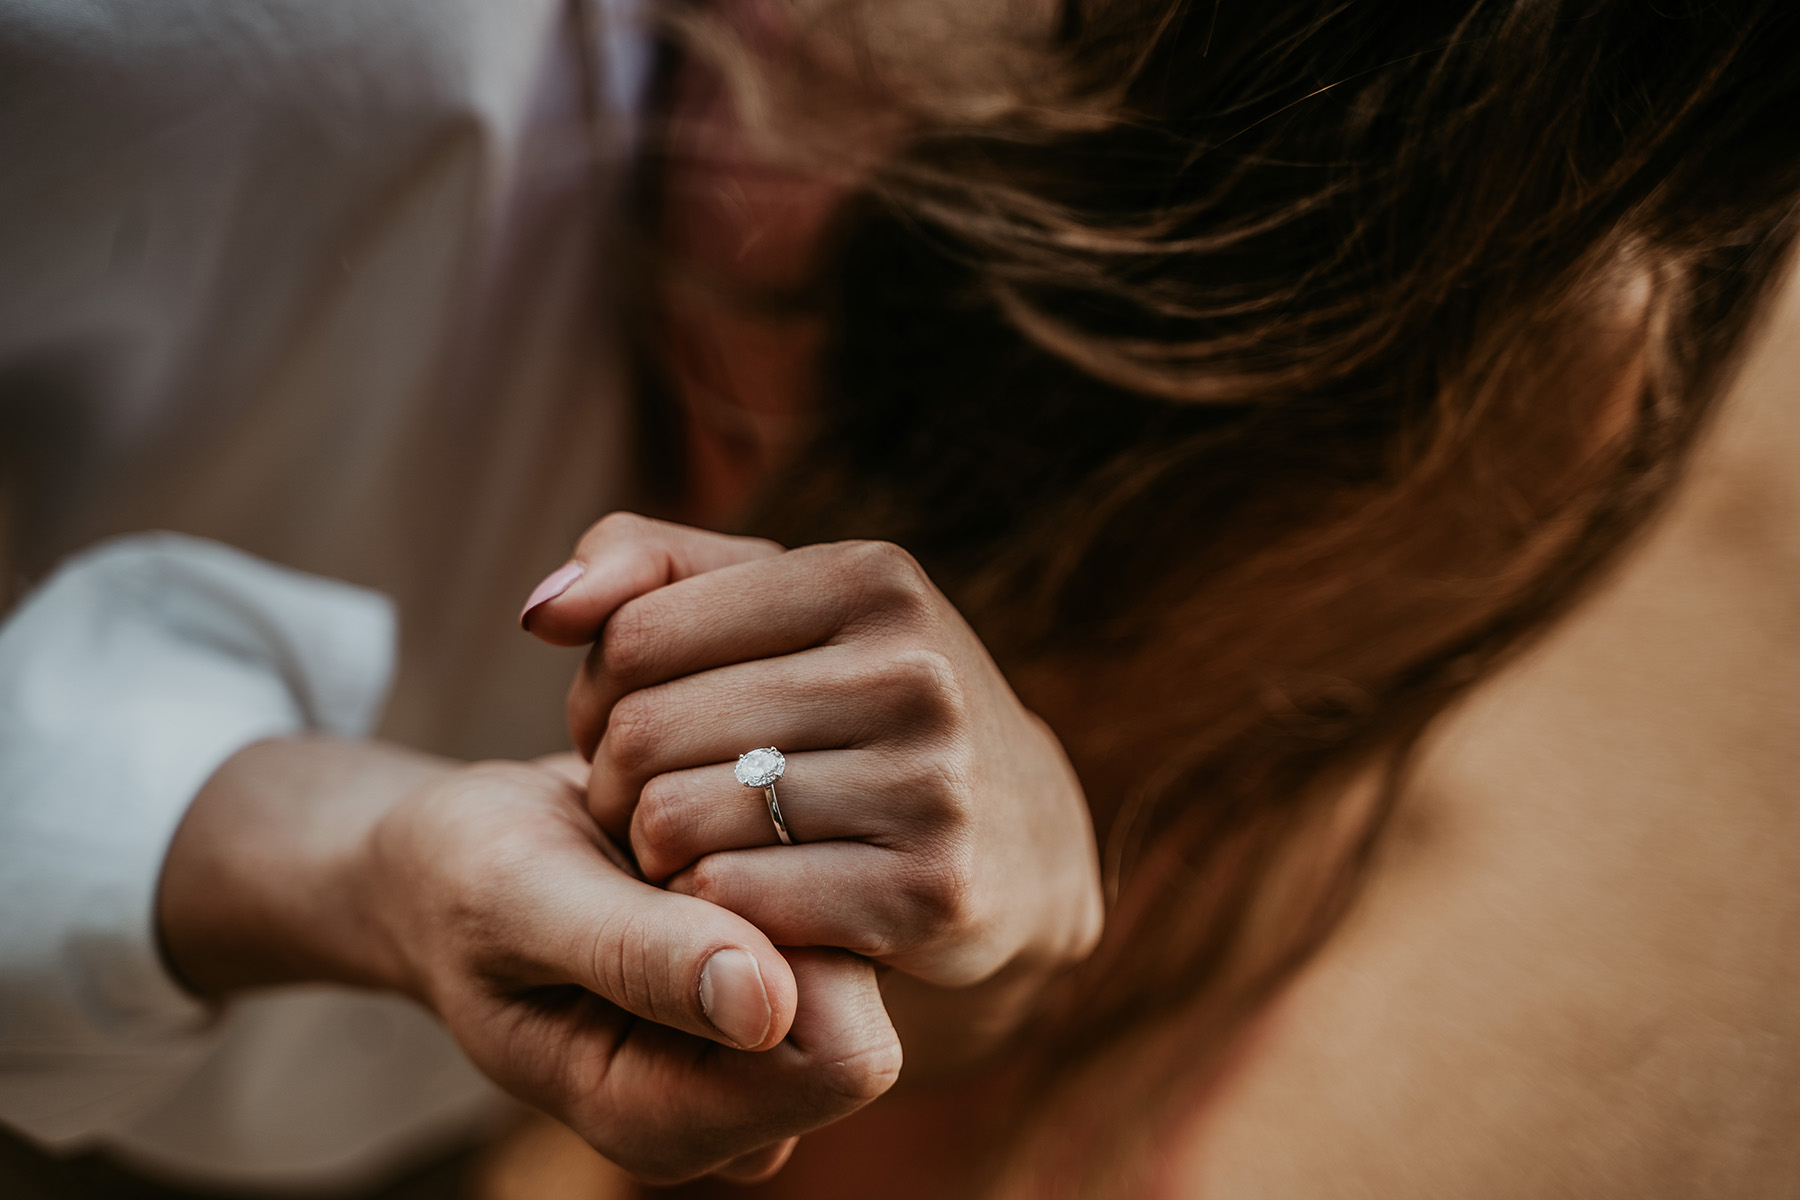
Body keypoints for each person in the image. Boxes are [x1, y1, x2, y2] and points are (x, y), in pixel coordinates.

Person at [5, 2, 1800, 1198]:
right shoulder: (210, 66)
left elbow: (949, 1052)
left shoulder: (1510, 310)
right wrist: (289, 845)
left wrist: (992, 938)